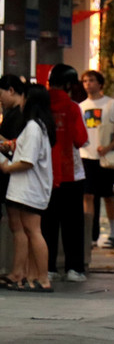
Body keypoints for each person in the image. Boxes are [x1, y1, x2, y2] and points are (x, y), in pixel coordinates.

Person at [0, 85, 55, 292]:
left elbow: (28, 161)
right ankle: (33, 277)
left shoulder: (33, 127)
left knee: (33, 231)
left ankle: (42, 278)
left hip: (29, 189)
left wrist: (7, 167)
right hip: (28, 188)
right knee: (32, 232)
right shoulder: (38, 126)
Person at [43, 64, 89, 283]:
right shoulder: (72, 108)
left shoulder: (40, 105)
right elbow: (80, 140)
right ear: (70, 84)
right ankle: (74, 268)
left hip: (45, 173)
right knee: (73, 224)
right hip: (71, 174)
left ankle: (48, 267)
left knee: (47, 222)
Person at [79, 70, 114, 249]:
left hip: (105, 157)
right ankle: (90, 235)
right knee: (88, 195)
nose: (87, 84)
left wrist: (109, 147)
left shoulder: (111, 104)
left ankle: (112, 233)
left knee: (107, 196)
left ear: (100, 83)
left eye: (91, 80)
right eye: (84, 81)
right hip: (86, 155)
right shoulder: (81, 106)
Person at [0, 75, 27, 216]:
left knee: (19, 225)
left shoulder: (20, 116)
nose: (0, 99)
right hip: (11, 174)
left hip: (14, 175)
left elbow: (16, 145)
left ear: (11, 90)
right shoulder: (13, 113)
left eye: (0, 94)